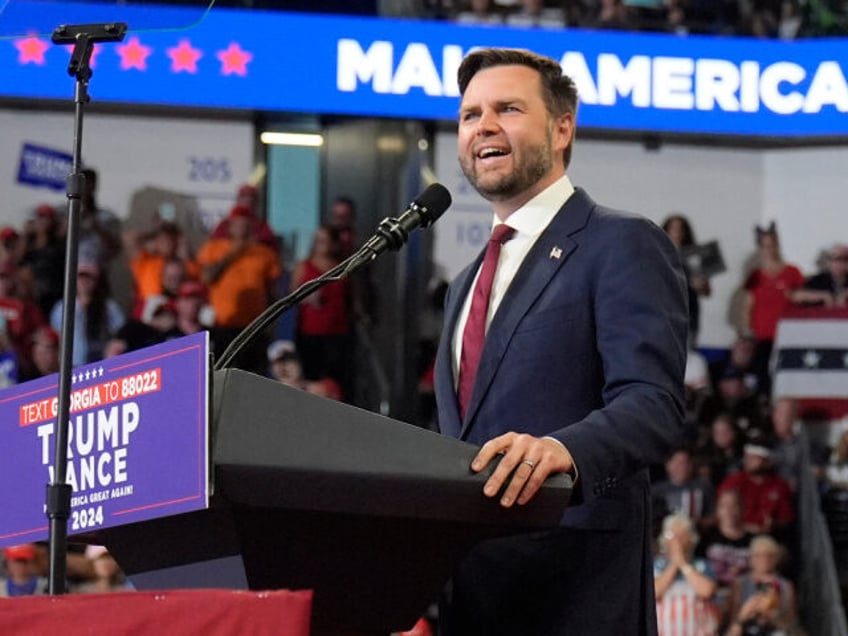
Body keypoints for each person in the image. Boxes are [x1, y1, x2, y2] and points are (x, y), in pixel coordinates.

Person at [433, 48, 689, 635]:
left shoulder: (620, 243)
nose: (484, 126)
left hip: (575, 594)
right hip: (472, 595)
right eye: (470, 115)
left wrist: (564, 450)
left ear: (562, 127)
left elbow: (655, 404)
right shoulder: (463, 286)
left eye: (508, 109)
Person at [653, 514, 720, 636]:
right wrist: (674, 564)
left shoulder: (702, 565)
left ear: (691, 539)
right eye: (672, 536)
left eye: (682, 536)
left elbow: (707, 591)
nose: (677, 541)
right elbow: (654, 592)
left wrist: (683, 564)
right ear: (665, 540)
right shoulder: (657, 566)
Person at [725, 535, 797, 636]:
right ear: (751, 558)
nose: (764, 560)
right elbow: (733, 624)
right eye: (758, 555)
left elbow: (790, 624)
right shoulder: (740, 583)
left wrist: (773, 616)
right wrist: (745, 613)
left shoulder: (786, 586)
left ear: (776, 558)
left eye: (769, 555)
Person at [662, 214, 712, 346]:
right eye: (673, 228)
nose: (677, 233)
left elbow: (707, 291)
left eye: (680, 229)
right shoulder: (658, 254)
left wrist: (699, 285)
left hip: (688, 315)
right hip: (663, 315)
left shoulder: (695, 256)